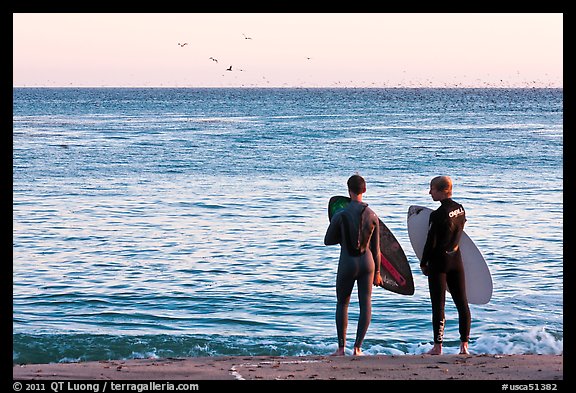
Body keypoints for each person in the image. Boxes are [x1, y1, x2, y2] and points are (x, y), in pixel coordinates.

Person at [324, 174, 384, 356]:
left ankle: (341, 349)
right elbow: (377, 250)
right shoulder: (373, 215)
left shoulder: (340, 215)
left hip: (347, 262)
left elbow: (328, 240)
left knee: (343, 303)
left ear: (348, 190)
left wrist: (340, 234)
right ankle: (358, 348)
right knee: (366, 304)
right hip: (368, 264)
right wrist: (378, 273)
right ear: (364, 190)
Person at [420, 176, 471, 355]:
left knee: (438, 305)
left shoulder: (437, 214)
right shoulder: (460, 209)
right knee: (462, 303)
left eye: (432, 189)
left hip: (439, 263)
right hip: (456, 260)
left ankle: (438, 346)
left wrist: (423, 262)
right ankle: (464, 346)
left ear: (441, 190)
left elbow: (430, 242)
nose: (429, 192)